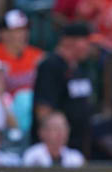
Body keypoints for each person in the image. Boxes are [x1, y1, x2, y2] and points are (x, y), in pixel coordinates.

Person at [32, 23, 95, 154]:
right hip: (58, 150)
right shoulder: (51, 66)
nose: (89, 47)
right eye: (86, 42)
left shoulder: (80, 68)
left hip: (79, 147)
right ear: (69, 41)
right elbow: (43, 109)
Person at [0, 9, 44, 94]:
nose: (23, 34)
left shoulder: (38, 55)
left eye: (25, 29)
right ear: (4, 33)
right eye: (18, 30)